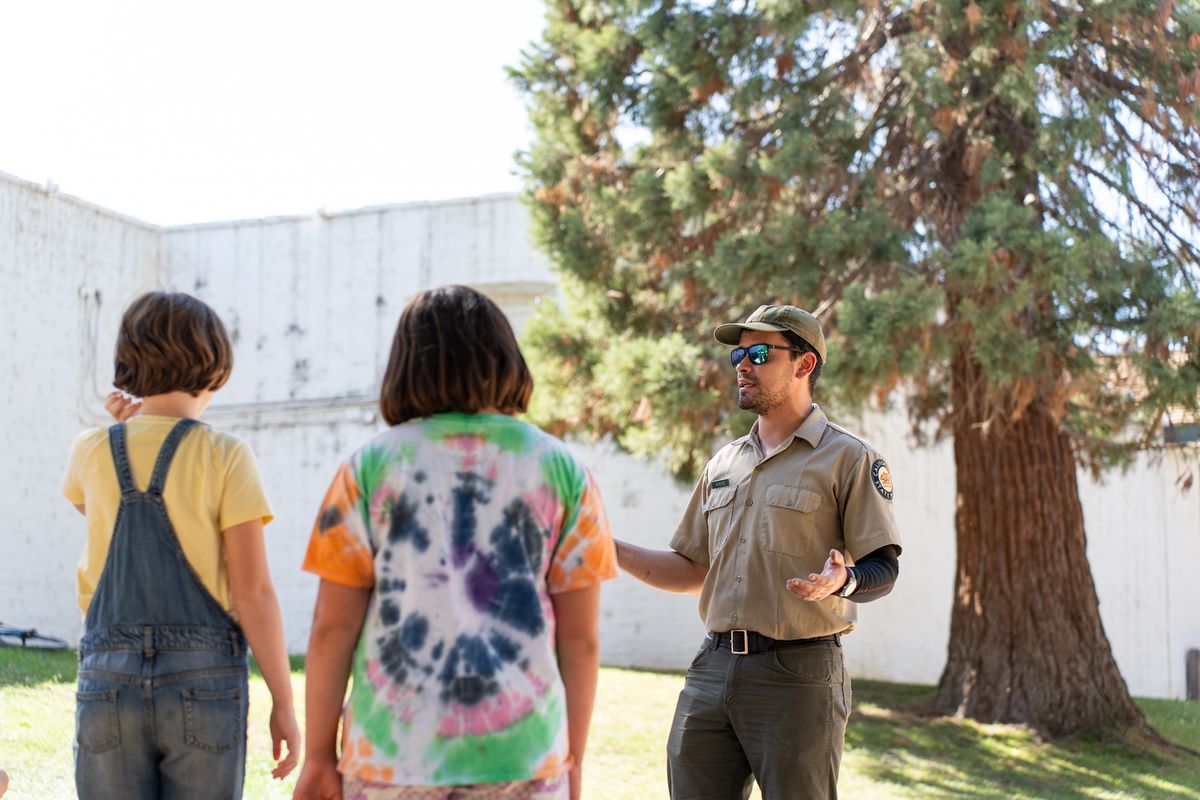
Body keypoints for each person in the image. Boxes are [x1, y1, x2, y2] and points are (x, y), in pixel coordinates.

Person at [292, 285, 617, 800]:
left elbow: (332, 627)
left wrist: (317, 756)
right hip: (526, 757)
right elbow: (581, 639)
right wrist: (570, 759)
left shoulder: (367, 468)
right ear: (506, 358)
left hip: (391, 760)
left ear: (406, 365)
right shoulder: (563, 470)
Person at [617, 304, 902, 800]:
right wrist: (608, 547)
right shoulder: (724, 462)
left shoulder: (849, 458)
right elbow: (691, 571)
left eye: (760, 352)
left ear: (804, 364)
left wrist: (844, 580)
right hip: (712, 668)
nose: (742, 365)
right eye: (738, 354)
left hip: (799, 676)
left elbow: (885, 566)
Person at [63, 291, 300, 799]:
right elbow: (254, 590)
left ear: (127, 360)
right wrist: (283, 700)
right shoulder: (227, 456)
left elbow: (100, 511)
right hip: (204, 678)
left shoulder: (90, 449)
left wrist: (125, 432)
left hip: (109, 675)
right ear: (214, 365)